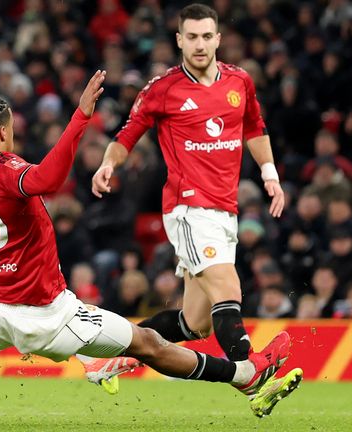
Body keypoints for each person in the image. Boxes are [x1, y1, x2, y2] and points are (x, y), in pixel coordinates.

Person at [0, 71, 301, 427]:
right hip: (47, 313)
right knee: (146, 344)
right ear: (3, 132)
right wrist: (80, 117)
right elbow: (51, 176)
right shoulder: (7, 174)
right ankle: (240, 375)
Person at [91, 3, 288, 390]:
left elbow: (255, 127)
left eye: (206, 36)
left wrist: (270, 174)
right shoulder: (162, 89)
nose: (200, 45)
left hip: (225, 212)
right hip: (188, 209)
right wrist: (107, 164)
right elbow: (128, 133)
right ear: (180, 40)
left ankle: (111, 360)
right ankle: (249, 377)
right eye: (192, 37)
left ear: (218, 39)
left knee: (194, 324)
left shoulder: (239, 82)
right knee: (228, 289)